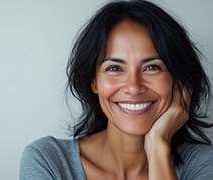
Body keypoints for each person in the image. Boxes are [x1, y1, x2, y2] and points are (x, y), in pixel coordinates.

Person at [20, 1, 213, 179]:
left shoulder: (202, 164)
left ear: (178, 80)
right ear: (93, 81)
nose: (134, 87)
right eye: (114, 68)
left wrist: (157, 147)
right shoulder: (48, 161)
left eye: (152, 67)